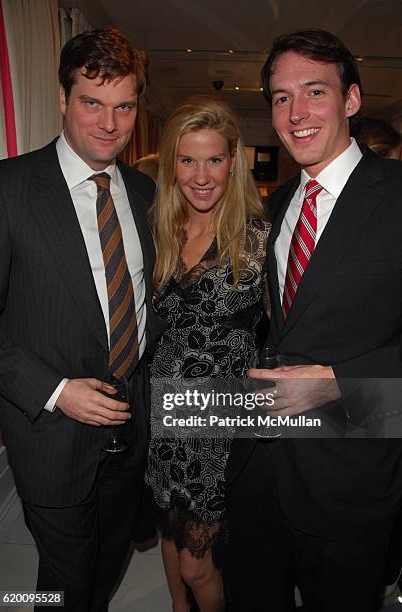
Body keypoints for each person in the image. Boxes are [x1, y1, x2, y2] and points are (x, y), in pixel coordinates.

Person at [226, 28, 402, 612]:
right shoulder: (275, 207)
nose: (296, 113)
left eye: (315, 92)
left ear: (351, 100)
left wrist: (339, 384)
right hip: (260, 472)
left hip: (351, 478)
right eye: (281, 97)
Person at [0, 27, 164, 611]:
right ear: (64, 97)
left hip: (130, 430)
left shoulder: (144, 192)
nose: (109, 124)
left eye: (123, 106)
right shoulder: (6, 188)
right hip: (51, 436)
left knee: (107, 564)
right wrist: (55, 390)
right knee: (63, 581)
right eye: (92, 102)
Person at [145, 96, 269, 612]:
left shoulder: (259, 237)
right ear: (171, 162)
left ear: (233, 162)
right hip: (163, 411)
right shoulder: (161, 230)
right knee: (170, 534)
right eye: (188, 159)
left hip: (217, 429)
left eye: (214, 159)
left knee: (200, 563)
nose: (201, 175)